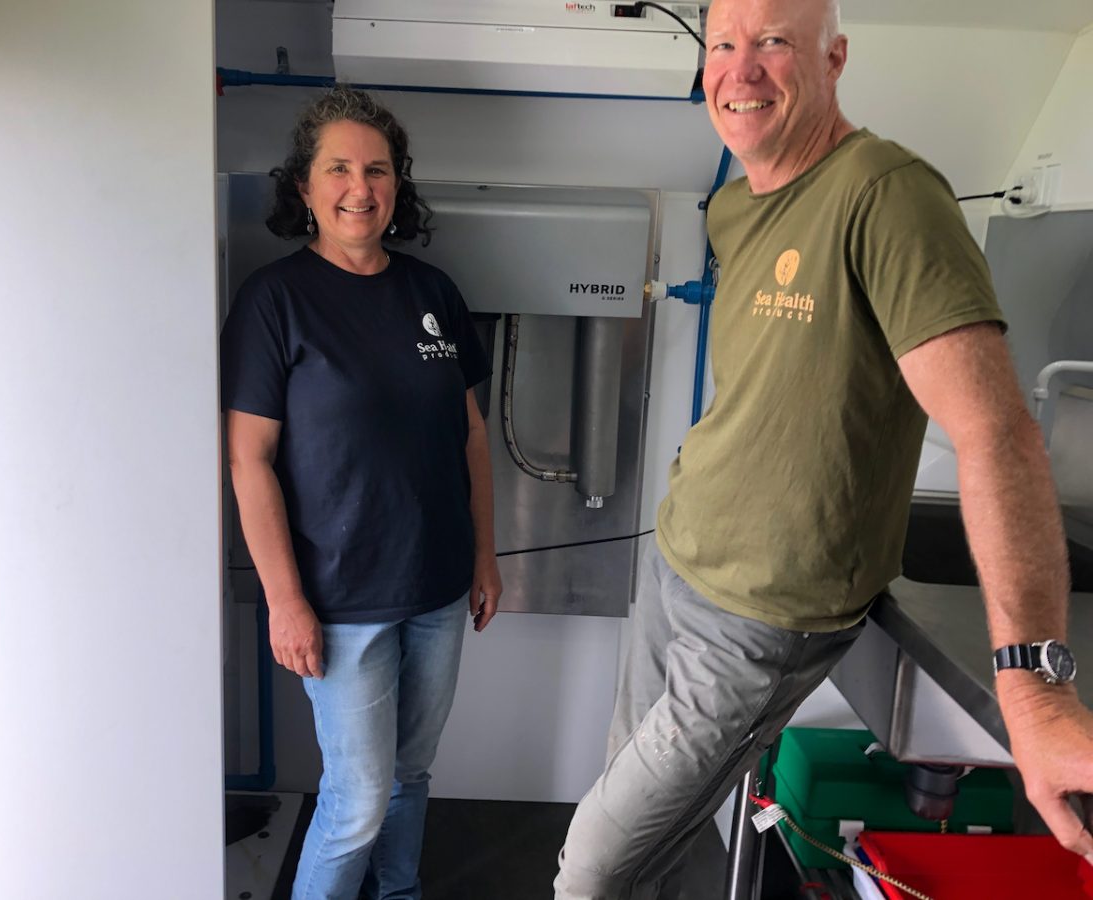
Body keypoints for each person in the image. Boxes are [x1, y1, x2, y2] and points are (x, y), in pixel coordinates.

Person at [554, 0, 1093, 895]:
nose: (742, 68)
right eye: (724, 44)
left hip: (762, 619)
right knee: (640, 851)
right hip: (676, 564)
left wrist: (1034, 690)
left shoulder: (885, 194)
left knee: (591, 870)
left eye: (773, 41)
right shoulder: (734, 209)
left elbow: (996, 432)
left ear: (834, 58)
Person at [220, 85, 502, 900]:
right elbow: (249, 461)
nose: (360, 186)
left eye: (376, 169)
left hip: (440, 588)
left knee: (411, 772)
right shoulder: (275, 302)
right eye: (338, 167)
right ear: (304, 188)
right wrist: (284, 600)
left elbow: (471, 435)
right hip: (340, 601)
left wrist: (484, 556)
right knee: (355, 799)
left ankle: (399, 892)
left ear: (396, 186)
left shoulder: (431, 293)